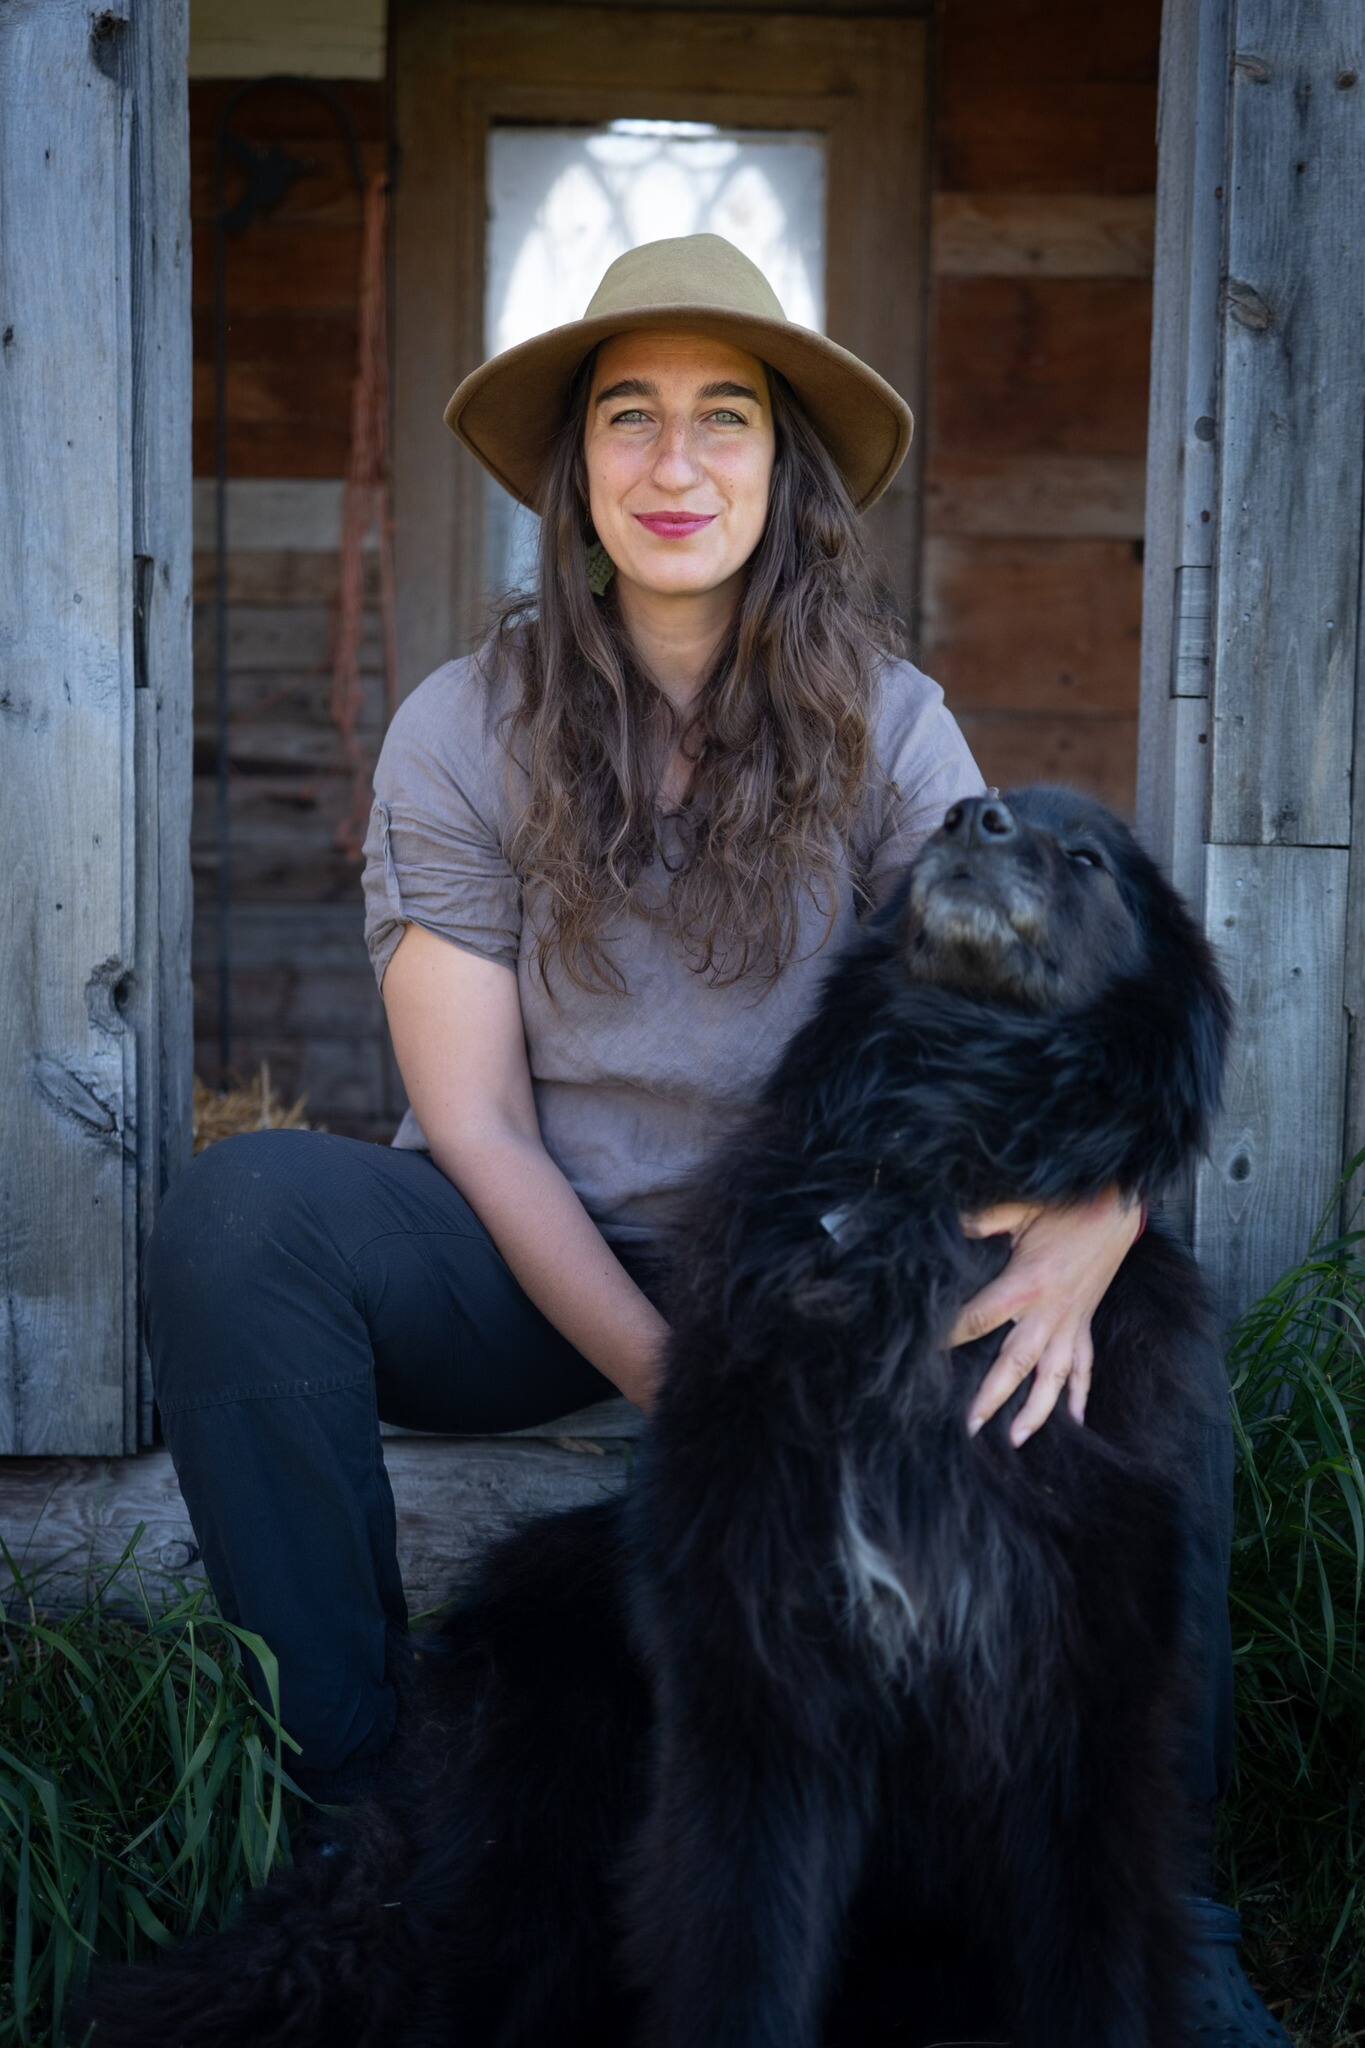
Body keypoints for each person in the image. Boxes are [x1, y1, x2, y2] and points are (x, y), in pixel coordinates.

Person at [145, 233, 1285, 2044]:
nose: (674, 466)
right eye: (629, 418)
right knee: (243, 1220)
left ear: (785, 467)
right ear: (573, 469)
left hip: (827, 1254)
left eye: (723, 419)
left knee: (1148, 1336)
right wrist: (701, 1397)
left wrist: (1101, 1218)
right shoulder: (461, 728)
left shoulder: (897, 728)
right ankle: (352, 1817)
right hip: (529, 1254)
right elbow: (479, 1121)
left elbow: (1040, 1001)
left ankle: (1177, 1917)